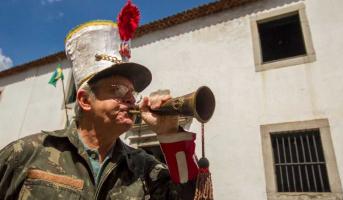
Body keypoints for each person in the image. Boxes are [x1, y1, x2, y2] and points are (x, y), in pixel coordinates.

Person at [0, 21, 199, 199]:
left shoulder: (144, 166)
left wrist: (170, 135)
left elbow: (192, 195)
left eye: (132, 92)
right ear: (85, 100)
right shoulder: (27, 153)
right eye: (118, 89)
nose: (131, 98)